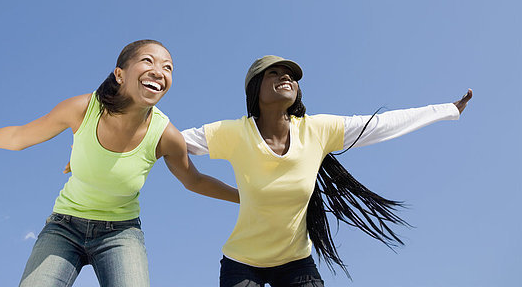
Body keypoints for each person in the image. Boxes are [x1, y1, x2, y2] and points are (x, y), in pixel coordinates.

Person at [0, 39, 239, 287]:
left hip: (120, 234)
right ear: (120, 74)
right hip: (64, 227)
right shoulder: (82, 109)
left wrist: (245, 197)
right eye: (148, 61)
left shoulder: (165, 136)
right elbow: (19, 137)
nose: (159, 71)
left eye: (168, 67)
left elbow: (194, 180)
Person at [181, 55, 472, 287]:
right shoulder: (234, 133)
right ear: (256, 87)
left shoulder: (317, 129)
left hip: (296, 263)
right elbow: (173, 142)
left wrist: (447, 110)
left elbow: (380, 124)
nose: (286, 77)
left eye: (291, 75)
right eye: (275, 72)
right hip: (242, 264)